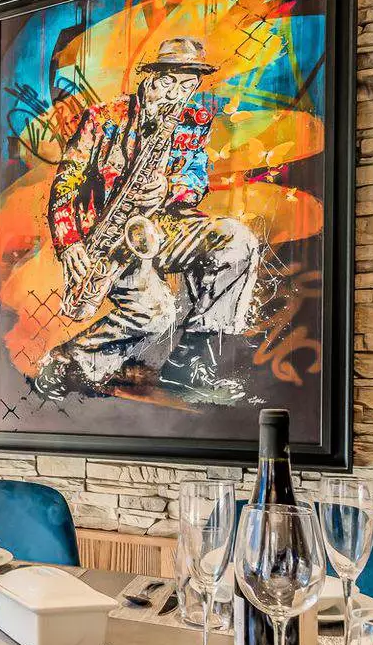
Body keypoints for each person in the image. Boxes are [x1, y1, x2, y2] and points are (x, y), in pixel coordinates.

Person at [34, 36, 263, 402]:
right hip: (111, 236)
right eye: (168, 82)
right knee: (156, 314)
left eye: (187, 86)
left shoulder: (193, 121)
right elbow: (67, 182)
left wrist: (169, 188)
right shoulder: (104, 118)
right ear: (151, 77)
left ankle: (188, 365)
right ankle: (68, 363)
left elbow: (196, 178)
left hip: (163, 227)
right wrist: (70, 242)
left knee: (237, 240)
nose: (175, 94)